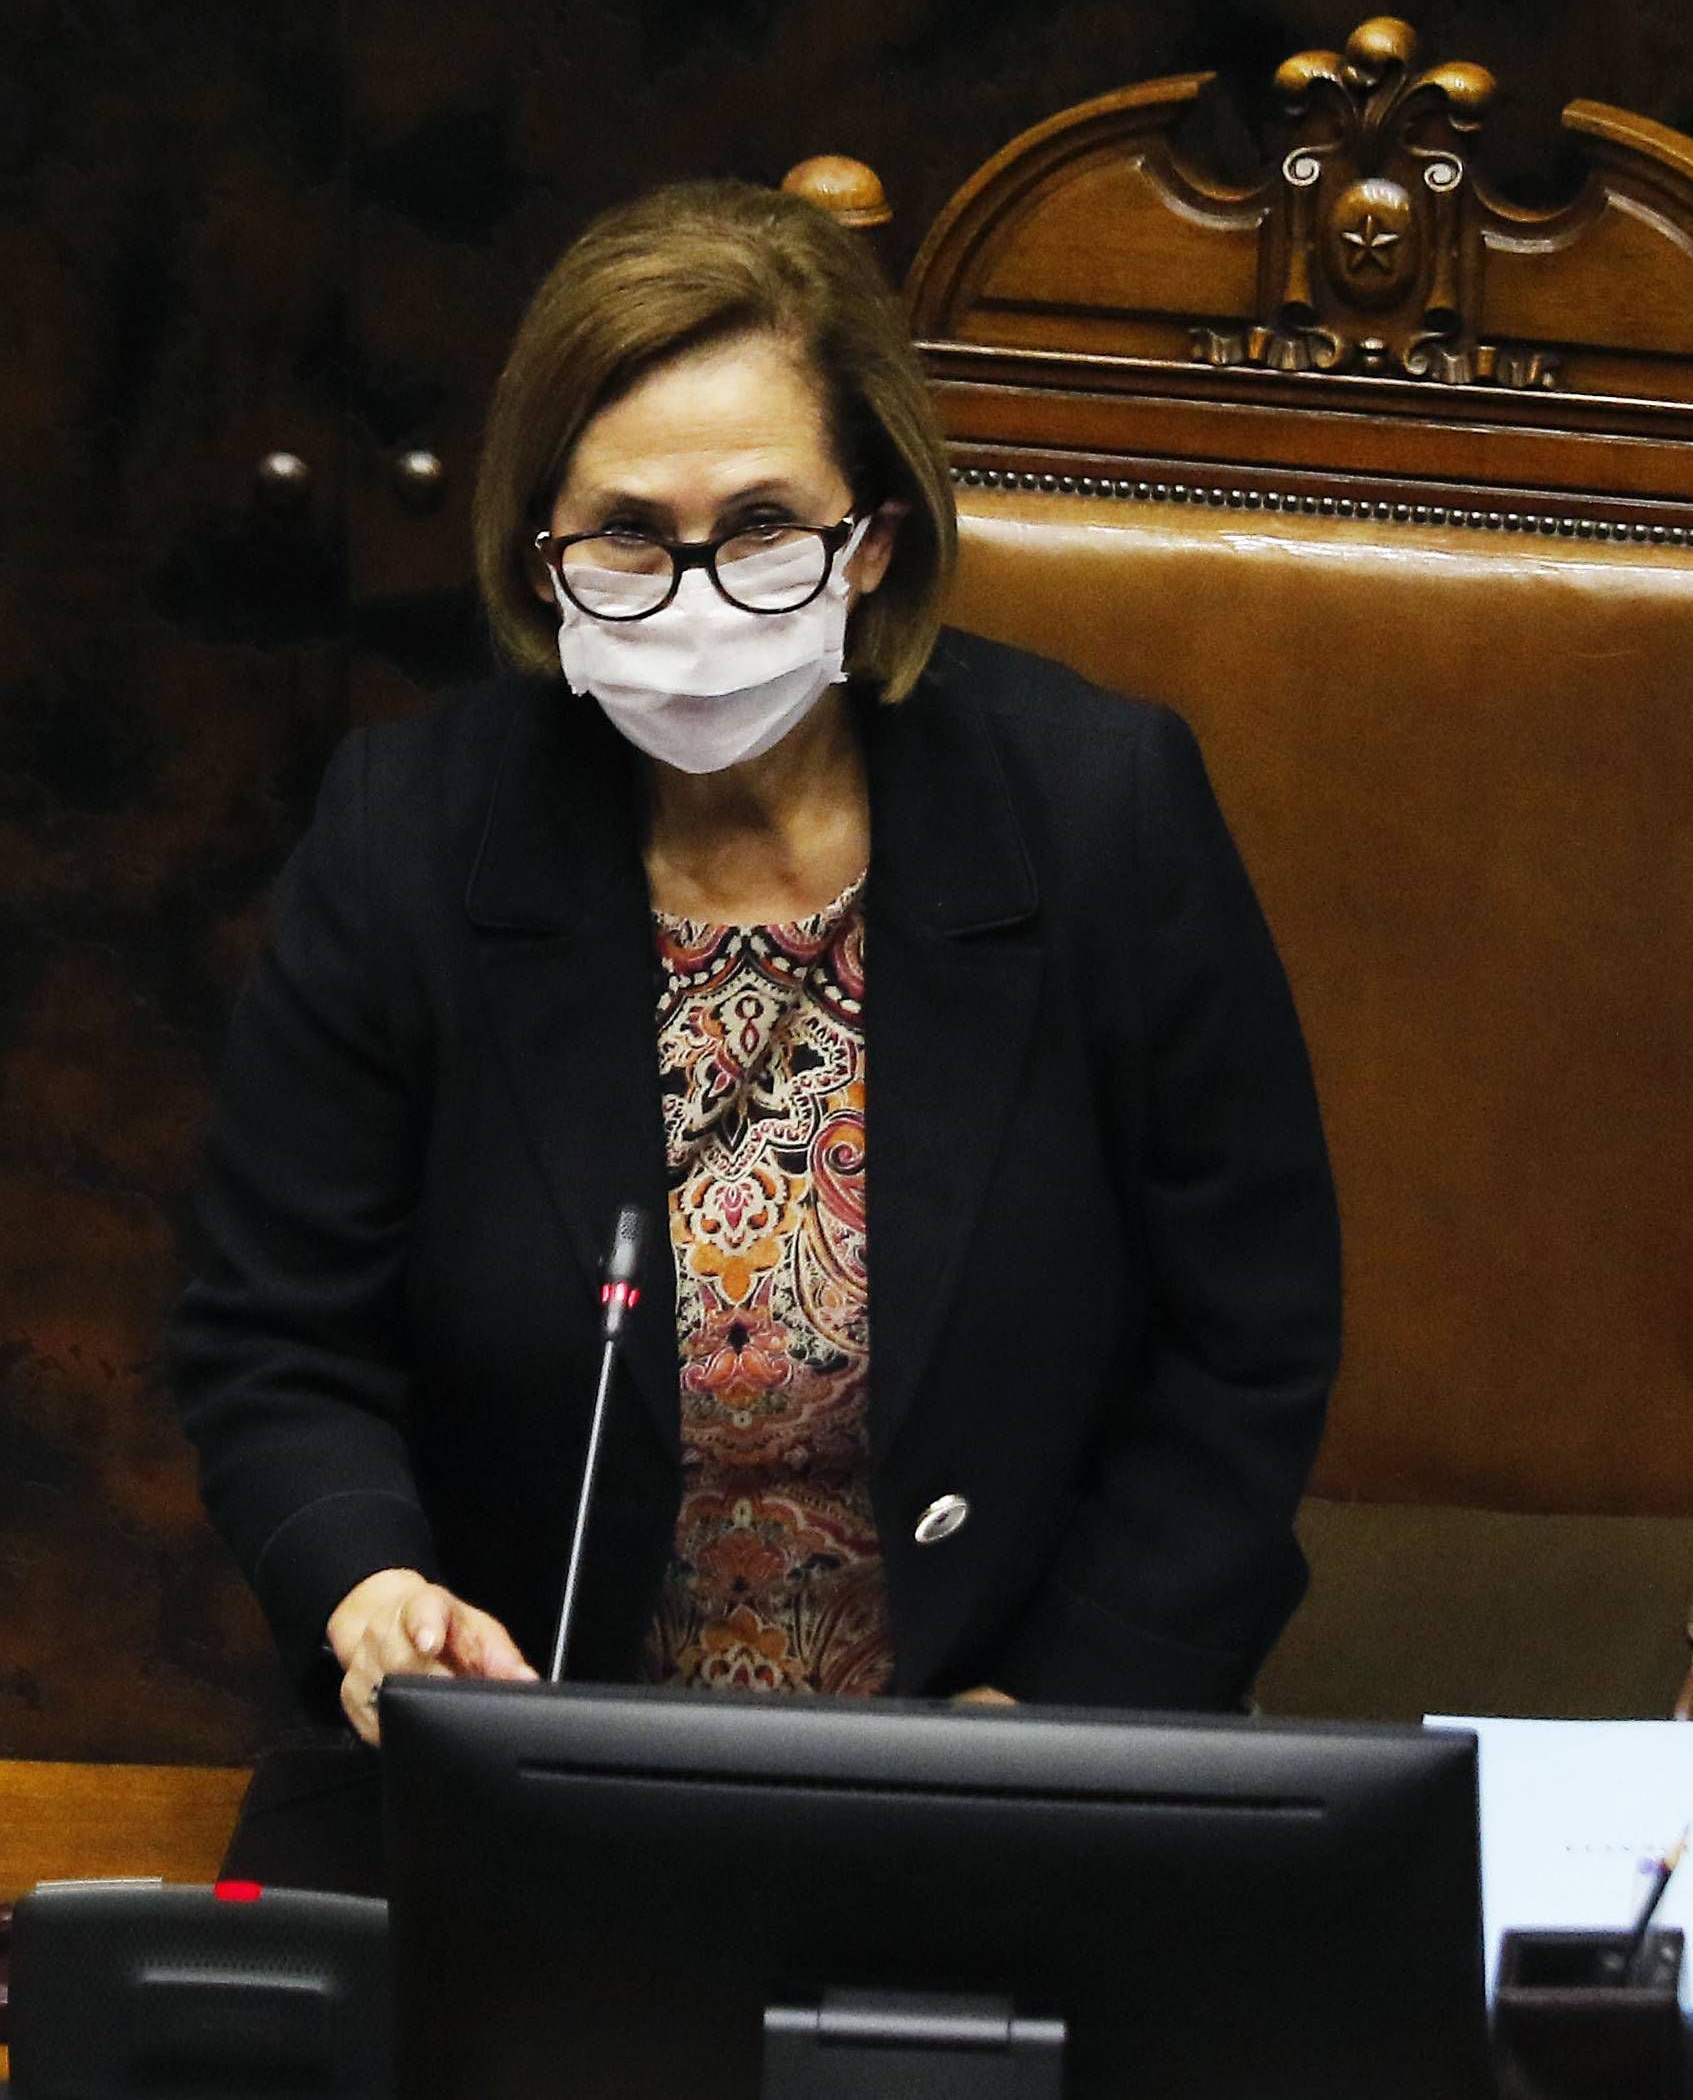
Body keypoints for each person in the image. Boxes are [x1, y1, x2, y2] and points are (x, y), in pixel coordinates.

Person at [173, 180, 1340, 1746]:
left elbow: (1245, 1338)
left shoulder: (1096, 812)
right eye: (629, 537)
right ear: (539, 561)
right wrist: (370, 1584)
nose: (702, 594)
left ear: (873, 542)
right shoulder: (408, 838)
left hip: (1014, 1737)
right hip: (523, 1755)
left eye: (766, 525)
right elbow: (276, 1333)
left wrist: (1046, 1720)